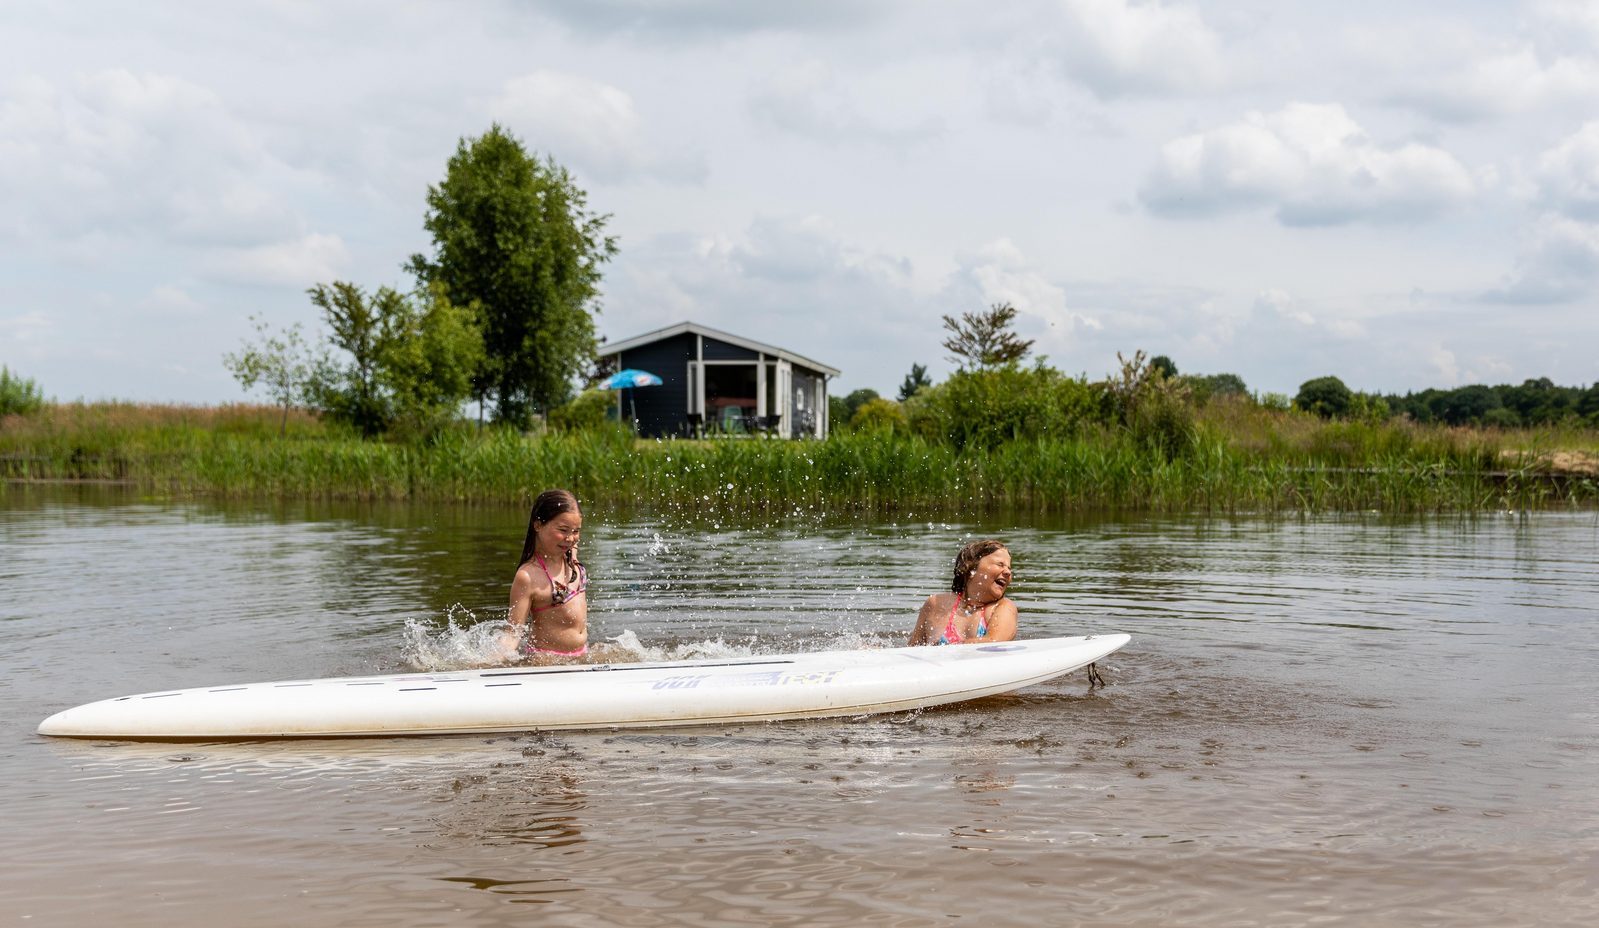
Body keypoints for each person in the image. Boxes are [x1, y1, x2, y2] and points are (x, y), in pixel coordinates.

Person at [504, 489, 589, 660]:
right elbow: (513, 632)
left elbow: (572, 542)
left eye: (576, 531)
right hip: (546, 662)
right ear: (538, 525)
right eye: (563, 530)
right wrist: (492, 662)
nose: (571, 538)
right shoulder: (528, 576)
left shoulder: (570, 555)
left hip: (581, 657)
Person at [908, 539, 1018, 646]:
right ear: (971, 569)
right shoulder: (936, 603)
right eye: (1000, 564)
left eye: (1009, 568)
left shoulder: (1003, 608)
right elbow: (912, 649)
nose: (1008, 572)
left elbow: (995, 643)